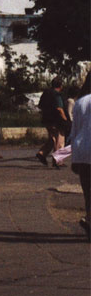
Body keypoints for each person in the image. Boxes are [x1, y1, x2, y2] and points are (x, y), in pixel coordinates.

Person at [69, 71, 90, 239]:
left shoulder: (81, 102)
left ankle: (90, 219)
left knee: (88, 192)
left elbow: (74, 132)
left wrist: (74, 159)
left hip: (84, 152)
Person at [36, 77, 68, 166]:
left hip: (46, 120)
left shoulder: (46, 93)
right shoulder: (57, 95)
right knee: (60, 140)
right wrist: (65, 119)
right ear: (60, 85)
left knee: (52, 138)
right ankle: (58, 161)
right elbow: (59, 108)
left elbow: (40, 106)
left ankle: (42, 153)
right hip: (56, 121)